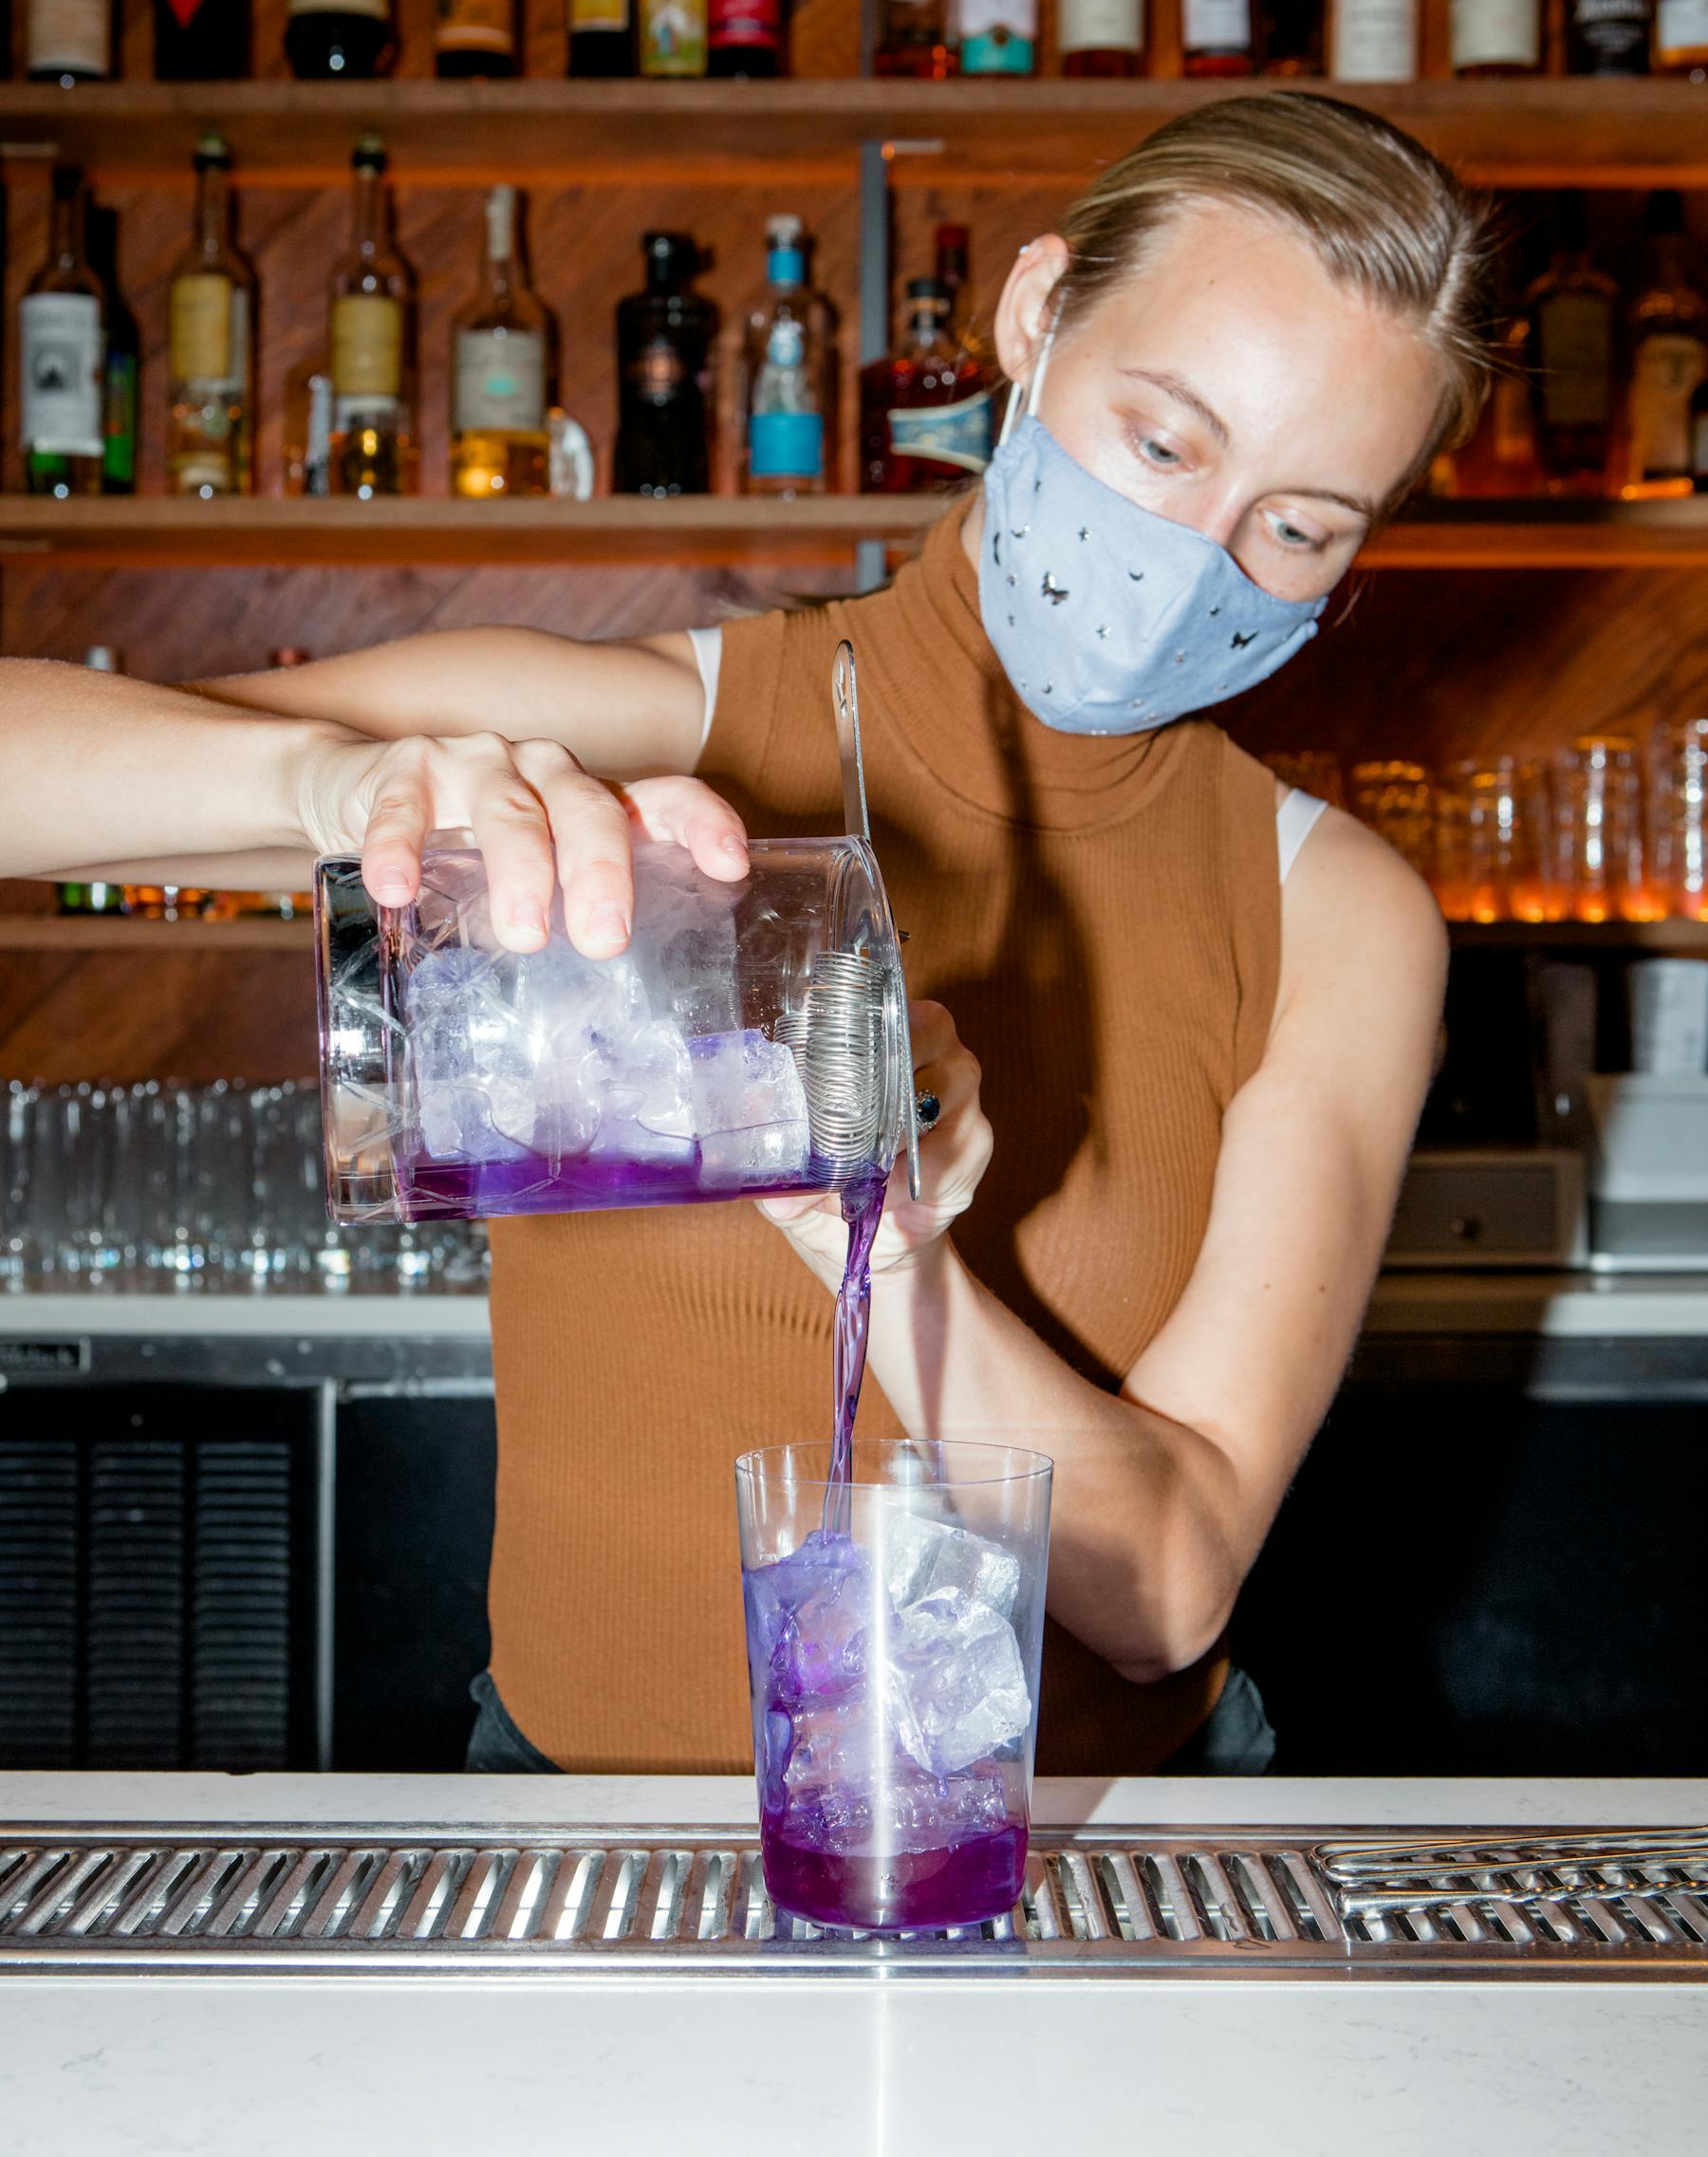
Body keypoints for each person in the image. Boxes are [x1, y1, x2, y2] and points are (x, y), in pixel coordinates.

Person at [3, 92, 1494, 1778]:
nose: (1192, 558)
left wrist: (892, 1241)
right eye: (1163, 443)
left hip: (1091, 1846)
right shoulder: (650, 733)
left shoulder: (1339, 915)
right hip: (577, 1826)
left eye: (1299, 527)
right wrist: (335, 783)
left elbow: (1163, 1586)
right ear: (1035, 315)